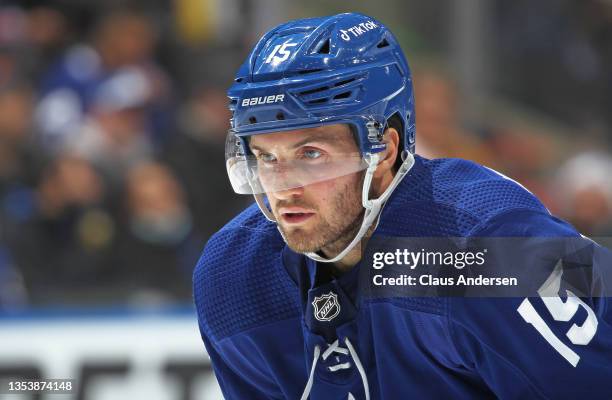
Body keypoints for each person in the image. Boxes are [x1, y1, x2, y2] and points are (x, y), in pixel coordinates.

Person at [193, 13, 612, 399]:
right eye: (266, 157)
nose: (283, 188)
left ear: (384, 151)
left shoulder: (481, 250)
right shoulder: (232, 275)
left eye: (311, 155)